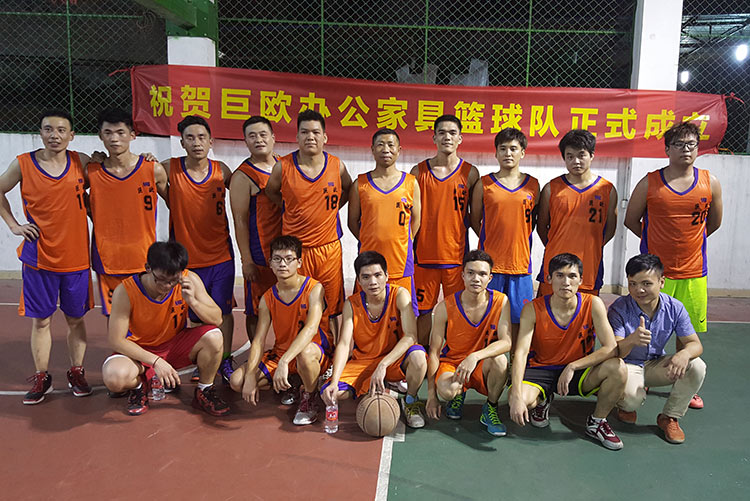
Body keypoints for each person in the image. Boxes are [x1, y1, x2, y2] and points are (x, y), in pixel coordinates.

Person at [624, 121, 722, 410]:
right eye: (679, 144)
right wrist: (655, 246)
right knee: (644, 330)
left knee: (686, 335)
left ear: (698, 148)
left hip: (693, 272)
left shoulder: (710, 182)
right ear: (667, 149)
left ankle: (684, 385)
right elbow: (631, 220)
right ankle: (640, 376)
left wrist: (688, 244)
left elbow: (714, 223)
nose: (686, 149)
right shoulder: (650, 183)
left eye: (691, 144)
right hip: (654, 275)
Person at [0, 110, 94, 404]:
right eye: (48, 129)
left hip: (76, 258)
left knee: (76, 319)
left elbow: (114, 173)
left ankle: (77, 371)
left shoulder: (82, 162)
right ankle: (42, 376)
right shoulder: (23, 164)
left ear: (72, 135)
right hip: (38, 257)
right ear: (40, 133)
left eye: (61, 130)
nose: (55, 135)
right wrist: (13, 225)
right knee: (41, 321)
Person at [509, 253, 627, 450]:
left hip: (577, 371)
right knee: (521, 399)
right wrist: (515, 396)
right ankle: (543, 398)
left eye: (572, 276)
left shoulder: (593, 304)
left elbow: (611, 348)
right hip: (541, 369)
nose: (566, 282)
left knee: (618, 368)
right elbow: (521, 352)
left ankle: (597, 422)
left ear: (581, 280)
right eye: (559, 275)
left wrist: (573, 366)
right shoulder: (532, 308)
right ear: (549, 279)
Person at [102, 241, 230, 416]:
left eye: (173, 281)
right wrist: (156, 361)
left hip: (174, 346)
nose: (167, 286)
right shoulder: (125, 291)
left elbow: (217, 319)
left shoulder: (189, 280)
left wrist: (193, 302)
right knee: (114, 378)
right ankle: (139, 387)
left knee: (214, 336)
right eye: (161, 280)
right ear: (148, 268)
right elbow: (116, 340)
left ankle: (204, 389)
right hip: (139, 351)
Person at [265, 110, 352, 341]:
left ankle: (332, 353)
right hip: (295, 252)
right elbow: (271, 192)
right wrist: (290, 207)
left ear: (325, 137)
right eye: (304, 132)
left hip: (328, 248)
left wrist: (331, 209)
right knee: (298, 305)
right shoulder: (283, 166)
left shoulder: (337, 165)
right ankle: (296, 351)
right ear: (297, 137)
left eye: (315, 132)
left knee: (331, 308)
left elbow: (348, 189)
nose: (310, 137)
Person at [163, 115, 235, 384]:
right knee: (193, 313)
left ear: (211, 141)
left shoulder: (222, 171)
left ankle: (224, 357)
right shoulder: (168, 168)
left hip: (221, 255)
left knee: (223, 312)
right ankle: (201, 359)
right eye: (190, 138)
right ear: (182, 143)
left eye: (202, 137)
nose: (196, 142)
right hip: (186, 259)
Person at [230, 236, 331, 426]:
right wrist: (250, 376)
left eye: (288, 259)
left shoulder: (314, 289)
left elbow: (311, 329)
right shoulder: (267, 298)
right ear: (270, 263)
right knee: (237, 382)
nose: (282, 264)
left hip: (313, 352)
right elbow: (259, 340)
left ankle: (309, 397)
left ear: (299, 262)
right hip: (282, 353)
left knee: (305, 353)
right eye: (277, 259)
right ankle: (294, 381)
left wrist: (285, 361)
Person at [322, 251, 428, 428]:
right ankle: (370, 385)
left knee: (418, 357)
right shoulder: (351, 304)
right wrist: (334, 380)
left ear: (386, 276)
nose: (373, 282)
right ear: (358, 280)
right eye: (366, 277)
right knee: (331, 394)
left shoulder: (399, 295)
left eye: (378, 275)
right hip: (363, 361)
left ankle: (410, 400)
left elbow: (411, 336)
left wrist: (383, 364)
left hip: (393, 360)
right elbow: (344, 344)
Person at [608, 254, 706, 444]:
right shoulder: (619, 308)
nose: (639, 290)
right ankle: (625, 405)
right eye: (633, 284)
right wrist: (632, 340)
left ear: (661, 282)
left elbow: (695, 344)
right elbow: (615, 352)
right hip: (627, 365)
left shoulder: (675, 308)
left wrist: (684, 353)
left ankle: (669, 417)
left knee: (697, 366)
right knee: (631, 400)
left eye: (646, 283)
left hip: (655, 364)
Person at [88, 108, 168, 316]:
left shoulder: (152, 169)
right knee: (115, 317)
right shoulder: (92, 171)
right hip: (107, 259)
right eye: (108, 133)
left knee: (145, 316)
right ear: (100, 136)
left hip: (144, 259)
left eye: (120, 132)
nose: (114, 139)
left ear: (132, 135)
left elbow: (176, 204)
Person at [425, 250, 512, 437]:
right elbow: (434, 352)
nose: (476, 279)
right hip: (453, 364)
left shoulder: (501, 301)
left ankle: (490, 407)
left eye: (482, 274)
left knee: (500, 361)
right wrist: (431, 395)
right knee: (447, 391)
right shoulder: (445, 307)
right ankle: (458, 394)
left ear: (490, 278)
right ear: (463, 275)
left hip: (481, 363)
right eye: (471, 273)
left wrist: (475, 356)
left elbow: (506, 342)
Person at [410, 115, 480, 346]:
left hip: (456, 257)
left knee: (457, 310)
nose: (447, 137)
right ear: (434, 138)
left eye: (452, 133)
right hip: (424, 256)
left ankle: (455, 353)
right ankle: (420, 355)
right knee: (422, 312)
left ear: (460, 138)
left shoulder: (470, 173)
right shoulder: (418, 172)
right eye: (441, 132)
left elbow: (475, 216)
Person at [470, 127, 539, 342]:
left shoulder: (533, 185)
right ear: (496, 153)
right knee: (489, 317)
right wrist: (492, 238)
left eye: (513, 149)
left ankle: (516, 359)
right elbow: (475, 220)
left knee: (519, 319)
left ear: (522, 152)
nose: (508, 153)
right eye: (503, 148)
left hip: (520, 264)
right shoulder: (484, 184)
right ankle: (487, 359)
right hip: (490, 265)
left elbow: (533, 222)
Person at [348, 128, 421, 313]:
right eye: (380, 145)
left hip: (400, 262)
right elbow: (352, 221)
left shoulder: (411, 183)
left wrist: (403, 240)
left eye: (390, 144)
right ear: (372, 150)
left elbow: (416, 220)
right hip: (368, 261)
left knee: (404, 312)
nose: (386, 149)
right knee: (367, 312)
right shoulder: (360, 184)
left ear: (399, 150)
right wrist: (369, 238)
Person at [536, 130, 617, 296]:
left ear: (591, 155)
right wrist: (556, 245)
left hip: (590, 264)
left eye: (581, 155)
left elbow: (610, 229)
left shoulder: (607, 190)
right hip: (555, 262)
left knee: (585, 311)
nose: (576, 161)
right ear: (564, 158)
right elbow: (542, 227)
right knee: (547, 309)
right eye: (570, 156)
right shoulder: (551, 188)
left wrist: (592, 246)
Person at [229, 116, 281, 344]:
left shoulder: (284, 165)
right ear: (245, 141)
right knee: (257, 309)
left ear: (273, 138)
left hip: (286, 251)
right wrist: (246, 260)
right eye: (252, 136)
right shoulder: (242, 176)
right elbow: (239, 221)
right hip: (261, 255)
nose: (258, 140)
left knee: (288, 304)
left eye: (262, 134)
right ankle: (256, 354)